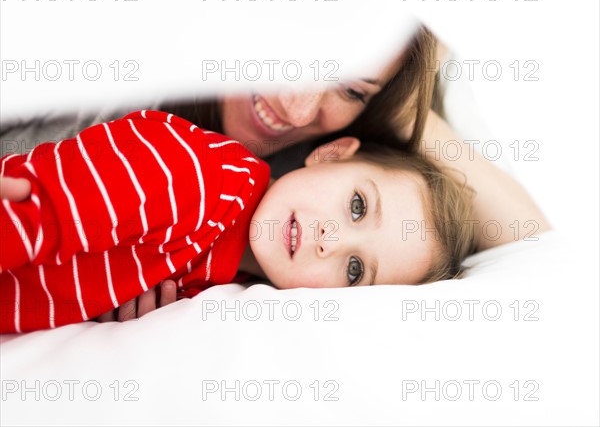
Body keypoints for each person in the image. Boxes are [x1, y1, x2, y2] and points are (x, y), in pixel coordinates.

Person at [0, 25, 551, 322]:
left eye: (351, 89)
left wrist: (399, 98)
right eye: (301, 49)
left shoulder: (287, 211)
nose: (297, 105)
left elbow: (529, 244)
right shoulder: (199, 170)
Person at [0, 109, 475, 333]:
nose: (331, 239)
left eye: (355, 271)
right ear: (331, 154)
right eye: (357, 206)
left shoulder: (226, 280)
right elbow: (37, 218)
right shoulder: (200, 179)